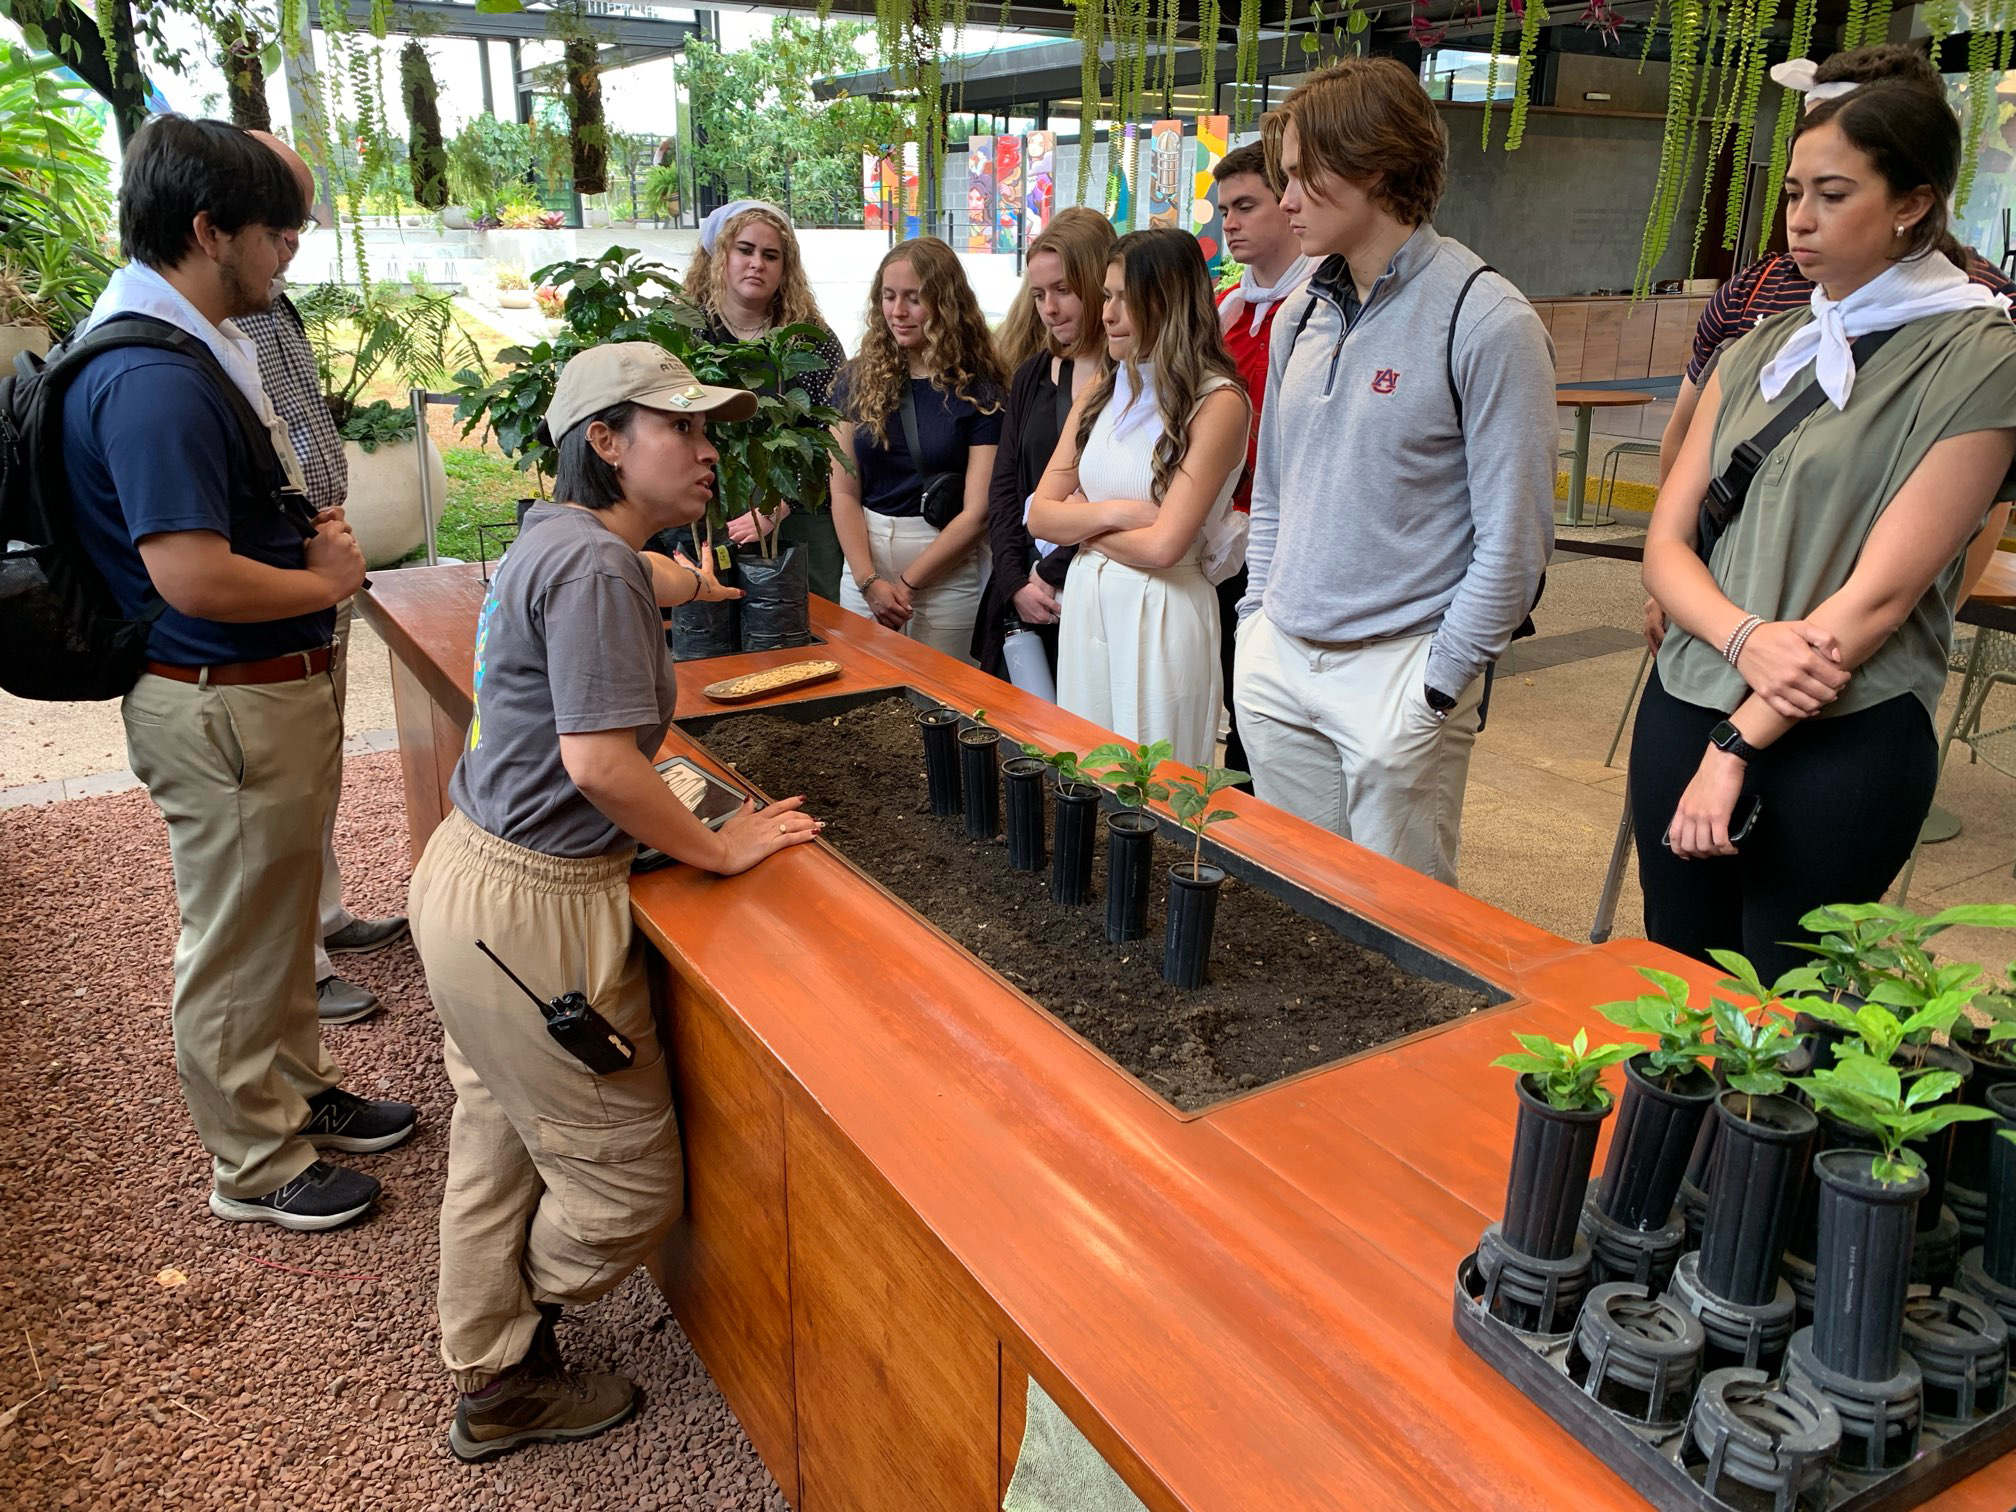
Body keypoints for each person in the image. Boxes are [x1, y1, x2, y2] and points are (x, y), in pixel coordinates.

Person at [407, 343, 822, 1461]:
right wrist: (720, 848)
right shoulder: (594, 569)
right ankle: (522, 1336)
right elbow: (599, 766)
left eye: (707, 428)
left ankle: (493, 1371)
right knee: (630, 1186)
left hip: (469, 877)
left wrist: (695, 578)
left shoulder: (562, 540)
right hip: (538, 911)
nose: (705, 448)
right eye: (679, 428)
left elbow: (646, 580)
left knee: (497, 1134)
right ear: (605, 442)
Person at [66, 115, 412, 1231]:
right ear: (210, 230)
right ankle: (254, 1163)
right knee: (234, 940)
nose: (290, 254)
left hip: (253, 692)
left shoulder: (191, 342)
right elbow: (192, 577)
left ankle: (296, 1093)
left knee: (272, 923)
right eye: (279, 232)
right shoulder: (153, 380)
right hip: (221, 697)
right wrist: (322, 584)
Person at [1636, 81, 2016, 979]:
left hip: (1844, 734)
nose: (1800, 220)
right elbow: (1666, 543)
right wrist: (1743, 636)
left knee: (1789, 1013)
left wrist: (1738, 741)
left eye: (1834, 194)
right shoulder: (1761, 347)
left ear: (1914, 203)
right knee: (1674, 988)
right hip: (1689, 692)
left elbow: (1881, 597)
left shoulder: (1981, 356)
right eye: (1795, 192)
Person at [1234, 58, 1557, 885]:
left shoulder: (1486, 319)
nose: (1287, 198)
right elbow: (1272, 492)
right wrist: (1256, 629)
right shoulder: (1301, 311)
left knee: (1400, 931)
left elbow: (1515, 544)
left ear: (1375, 166)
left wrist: (1437, 688)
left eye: (1304, 176)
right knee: (1300, 905)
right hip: (1281, 662)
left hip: (1400, 672)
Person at [235, 129, 410, 1026]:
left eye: (301, 219)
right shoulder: (204, 325)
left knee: (323, 755)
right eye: (280, 219)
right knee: (283, 784)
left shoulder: (270, 302)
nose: (293, 238)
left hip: (318, 557)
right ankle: (298, 964)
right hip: (279, 579)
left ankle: (325, 916)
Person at [1028, 228, 1250, 769]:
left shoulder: (1218, 402)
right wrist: (1118, 513)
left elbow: (1164, 549)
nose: (1107, 314)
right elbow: (1038, 513)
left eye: (1126, 297)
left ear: (1170, 301)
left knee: (1158, 780)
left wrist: (1079, 524)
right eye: (1106, 295)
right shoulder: (1103, 387)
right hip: (1088, 601)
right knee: (1085, 770)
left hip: (1162, 610)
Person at [830, 237, 1007, 661]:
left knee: (946, 703)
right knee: (864, 698)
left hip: (946, 573)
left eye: (914, 298)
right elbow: (842, 490)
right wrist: (869, 582)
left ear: (946, 303)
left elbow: (977, 511)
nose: (898, 311)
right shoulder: (855, 379)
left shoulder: (980, 389)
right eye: (889, 297)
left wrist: (907, 585)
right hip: (864, 570)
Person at [971, 208, 1116, 680]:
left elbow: (1126, 501)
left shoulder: (1132, 381)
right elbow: (1006, 487)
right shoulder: (1034, 373)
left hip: (1096, 594)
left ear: (1100, 284)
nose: (1049, 309)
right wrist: (1015, 582)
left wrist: (1051, 574)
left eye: (1063, 291)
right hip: (1023, 596)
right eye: (1038, 295)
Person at [683, 198, 850, 598]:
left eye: (770, 255)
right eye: (744, 250)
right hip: (706, 503)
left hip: (800, 509)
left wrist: (781, 502)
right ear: (719, 255)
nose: (757, 263)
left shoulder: (812, 339)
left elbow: (834, 433)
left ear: (785, 269)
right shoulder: (687, 334)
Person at [1211, 143, 1314, 782]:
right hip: (1225, 538)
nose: (1230, 223)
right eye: (1224, 209)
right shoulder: (1229, 310)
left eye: (1245, 206)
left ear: (1288, 203)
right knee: (1236, 698)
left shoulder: (1318, 309)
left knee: (1276, 723)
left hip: (1287, 543)